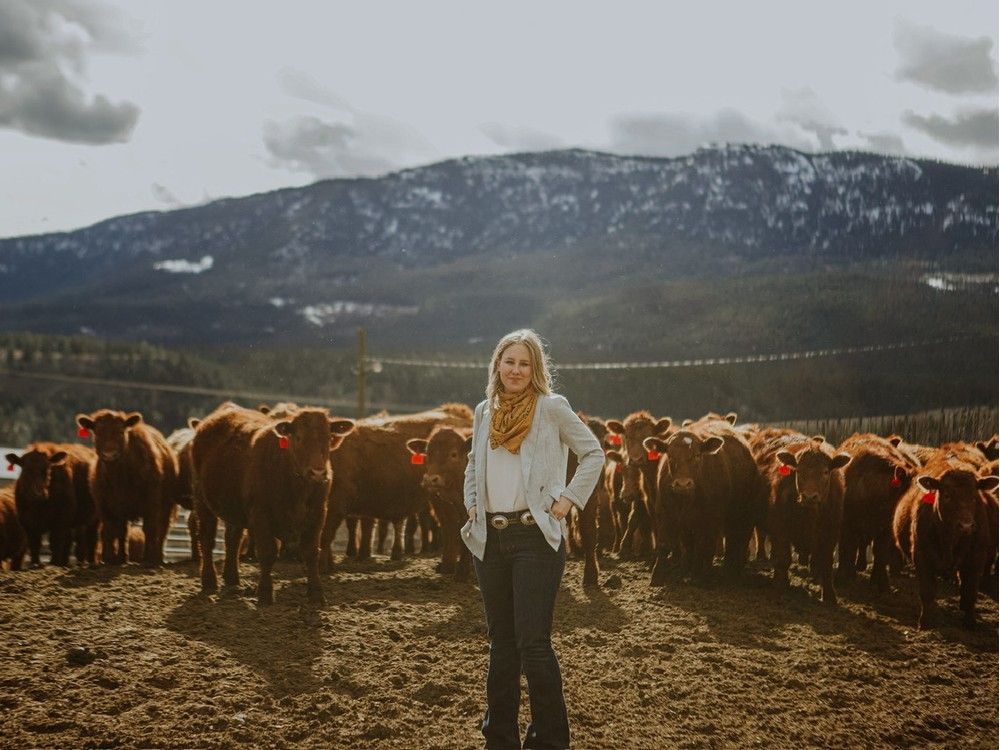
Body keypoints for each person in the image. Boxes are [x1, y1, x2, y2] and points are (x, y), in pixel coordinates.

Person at [462, 328, 604, 750]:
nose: (516, 370)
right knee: (501, 644)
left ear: (535, 369)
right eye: (509, 362)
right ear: (497, 365)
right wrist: (472, 503)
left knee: (533, 643)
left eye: (524, 364)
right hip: (490, 539)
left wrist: (568, 499)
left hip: (535, 538)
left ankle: (549, 741)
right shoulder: (484, 411)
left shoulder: (551, 407)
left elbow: (593, 453)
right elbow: (473, 463)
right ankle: (499, 738)